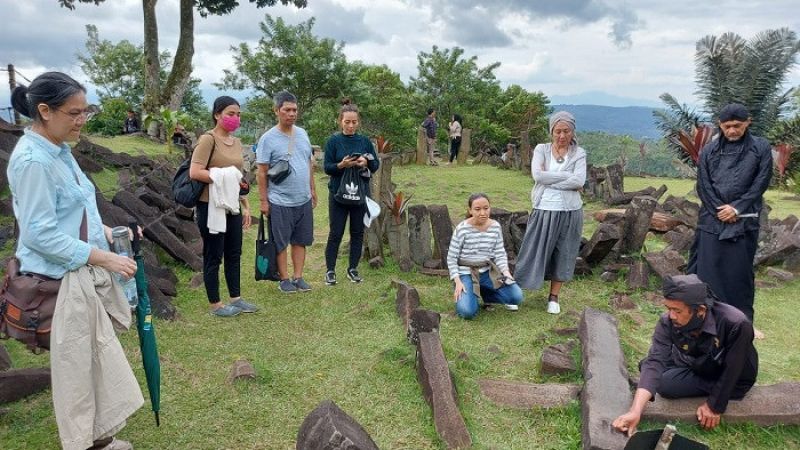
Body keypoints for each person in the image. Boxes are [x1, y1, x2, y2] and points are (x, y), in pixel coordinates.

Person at [9, 72, 143, 450]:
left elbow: (79, 210)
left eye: (86, 111)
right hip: (59, 280)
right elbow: (39, 233)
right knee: (76, 372)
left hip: (79, 270)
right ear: (45, 111)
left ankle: (100, 438)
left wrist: (114, 234)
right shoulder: (33, 160)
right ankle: (81, 444)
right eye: (74, 112)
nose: (82, 119)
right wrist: (104, 258)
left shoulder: (60, 151)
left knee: (95, 362)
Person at [612, 274, 758, 435]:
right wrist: (635, 411)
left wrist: (714, 405)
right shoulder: (668, 321)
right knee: (646, 365)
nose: (671, 315)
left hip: (731, 375)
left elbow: (733, 369)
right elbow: (655, 361)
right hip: (696, 360)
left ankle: (677, 378)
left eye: (677, 310)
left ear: (700, 311)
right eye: (669, 308)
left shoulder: (736, 323)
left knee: (664, 384)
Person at [687, 103, 772, 339]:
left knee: (740, 275)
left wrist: (737, 208)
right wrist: (719, 210)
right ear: (720, 125)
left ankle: (744, 324)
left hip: (744, 220)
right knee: (707, 272)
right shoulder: (709, 151)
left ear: (748, 122)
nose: (732, 131)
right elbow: (703, 185)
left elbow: (761, 181)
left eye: (737, 126)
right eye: (727, 126)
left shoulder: (760, 147)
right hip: (711, 220)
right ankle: (705, 321)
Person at [189, 96, 256, 317]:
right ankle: (215, 304)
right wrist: (222, 176)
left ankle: (236, 298)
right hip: (211, 206)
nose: (235, 118)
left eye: (238, 114)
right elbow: (195, 172)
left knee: (234, 253)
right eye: (230, 113)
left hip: (233, 204)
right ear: (217, 114)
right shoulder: (207, 139)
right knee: (214, 254)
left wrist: (245, 205)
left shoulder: (236, 142)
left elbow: (238, 178)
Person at [514, 111, 586, 314]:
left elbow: (579, 181)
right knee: (532, 250)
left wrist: (550, 177)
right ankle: (515, 292)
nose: (562, 136)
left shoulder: (579, 153)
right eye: (558, 131)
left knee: (564, 252)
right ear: (551, 131)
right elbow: (537, 175)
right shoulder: (542, 149)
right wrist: (566, 177)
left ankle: (553, 297)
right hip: (544, 208)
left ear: (573, 132)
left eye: (566, 131)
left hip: (571, 211)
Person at [256, 91, 317, 293]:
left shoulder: (303, 133)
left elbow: (308, 162)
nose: (291, 114)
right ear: (277, 111)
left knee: (301, 240)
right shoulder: (268, 139)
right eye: (287, 110)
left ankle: (298, 277)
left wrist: (312, 189)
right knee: (280, 241)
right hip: (280, 199)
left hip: (303, 198)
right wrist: (264, 201)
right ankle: (284, 278)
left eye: (294, 110)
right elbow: (262, 172)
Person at [322, 99, 380, 285]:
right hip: (338, 194)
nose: (350, 125)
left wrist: (366, 162)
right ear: (340, 121)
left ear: (358, 122)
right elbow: (327, 167)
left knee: (357, 233)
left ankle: (352, 268)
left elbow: (376, 164)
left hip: (360, 193)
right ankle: (330, 270)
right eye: (347, 122)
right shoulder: (333, 141)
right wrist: (342, 165)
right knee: (335, 232)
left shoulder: (364, 141)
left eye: (354, 122)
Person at [447, 193, 523, 319]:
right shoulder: (462, 229)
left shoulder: (495, 227)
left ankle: (484, 294)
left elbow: (499, 253)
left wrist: (506, 272)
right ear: (470, 210)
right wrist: (457, 280)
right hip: (466, 273)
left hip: (487, 272)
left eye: (486, 208)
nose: (483, 213)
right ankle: (470, 296)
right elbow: (451, 257)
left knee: (516, 296)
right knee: (467, 312)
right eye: (477, 209)